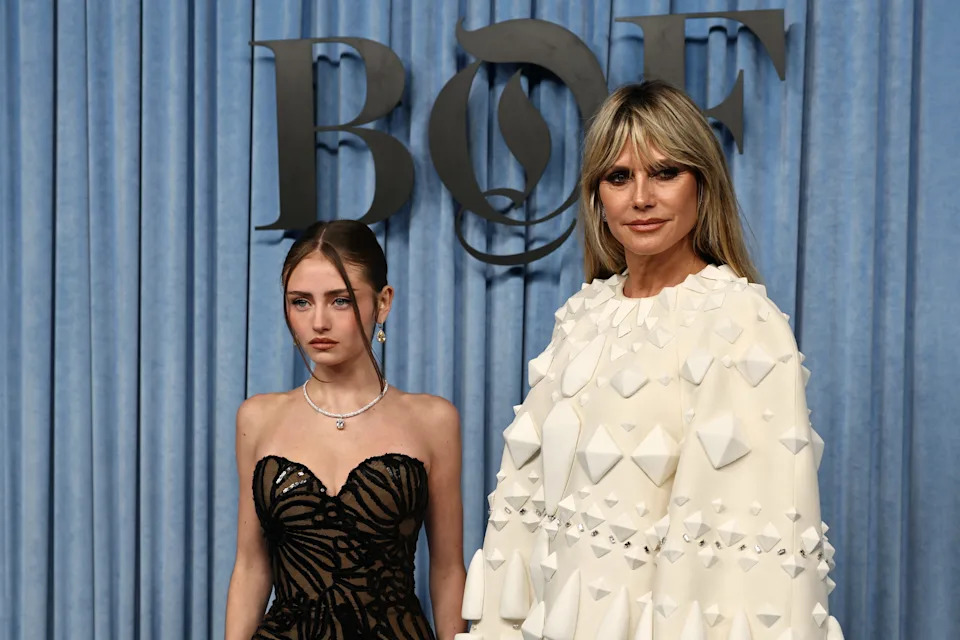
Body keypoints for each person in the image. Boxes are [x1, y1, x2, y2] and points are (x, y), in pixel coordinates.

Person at [459, 81, 845, 639]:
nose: (641, 197)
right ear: (597, 195)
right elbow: (521, 518)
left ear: (702, 185)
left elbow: (740, 561)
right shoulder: (581, 316)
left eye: (665, 172)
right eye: (619, 177)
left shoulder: (741, 323)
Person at [225, 220, 466, 640]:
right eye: (301, 302)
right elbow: (250, 566)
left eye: (340, 301)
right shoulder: (257, 418)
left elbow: (447, 571)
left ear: (383, 302)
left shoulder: (433, 420)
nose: (318, 322)